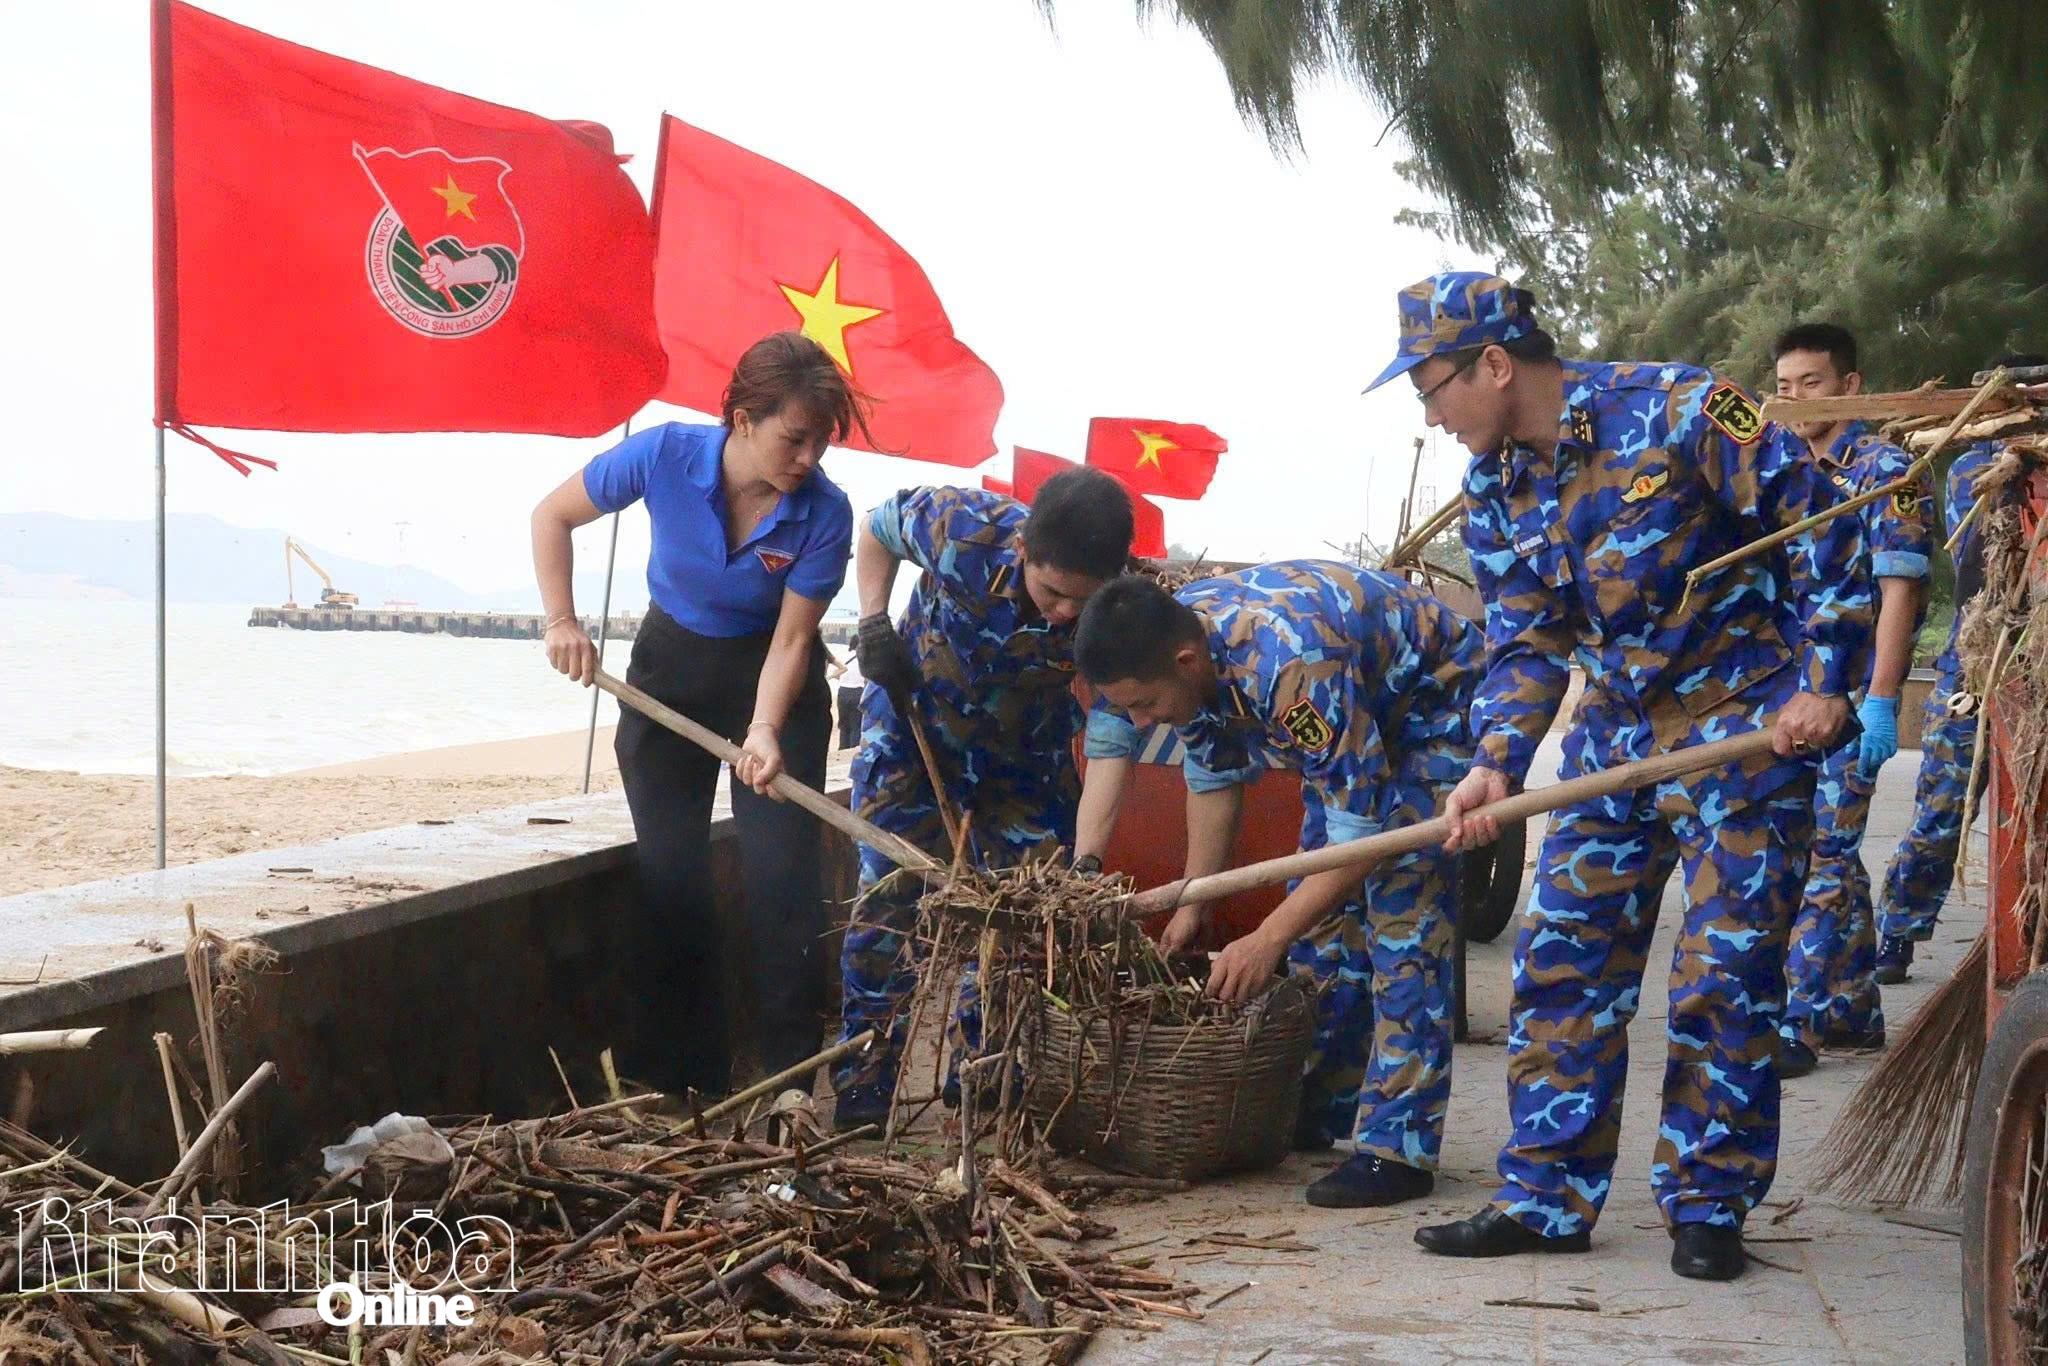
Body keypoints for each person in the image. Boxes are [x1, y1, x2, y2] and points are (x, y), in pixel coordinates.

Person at [1374, 273, 1870, 1281]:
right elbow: (1525, 644)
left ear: (1495, 364)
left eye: (1429, 387)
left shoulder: (1686, 405)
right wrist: (1491, 763)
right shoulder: (1492, 488)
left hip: (1740, 730)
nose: (1426, 413)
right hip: (1610, 742)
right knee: (1558, 961)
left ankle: (1707, 1201)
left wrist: (1827, 682)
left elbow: (1825, 518)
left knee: (1723, 977)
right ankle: (1546, 1196)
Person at [1076, 561, 1479, 1207]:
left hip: (1433, 709)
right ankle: (1320, 1108)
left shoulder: (1288, 667)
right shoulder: (1184, 655)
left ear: (1184, 661)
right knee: (1318, 931)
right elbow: (1212, 779)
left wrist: (1264, 939)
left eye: (1144, 705)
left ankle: (1397, 1149)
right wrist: (1196, 900)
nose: (1144, 721)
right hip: (1353, 733)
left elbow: (1365, 834)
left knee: (1404, 924)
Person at [531, 331, 861, 1098]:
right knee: (671, 879)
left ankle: (788, 1086)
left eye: (821, 442)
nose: (809, 458)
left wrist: (766, 730)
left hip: (773, 684)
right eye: (795, 437)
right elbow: (551, 515)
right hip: (669, 674)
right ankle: (682, 1079)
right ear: (743, 417)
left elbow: (792, 639)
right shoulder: (662, 457)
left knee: (782, 886)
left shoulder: (825, 514)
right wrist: (561, 620)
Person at [831, 469, 1135, 1130]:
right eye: (1053, 593)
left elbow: (1112, 739)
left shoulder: (1120, 612)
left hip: (1025, 754)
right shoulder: (961, 527)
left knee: (1026, 909)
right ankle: (864, 1077)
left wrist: (1087, 860)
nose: (1064, 615)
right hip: (916, 726)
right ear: (1023, 548)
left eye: (1081, 603)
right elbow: (876, 528)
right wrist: (874, 620)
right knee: (888, 900)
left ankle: (986, 1067)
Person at [1769, 323, 1933, 1075]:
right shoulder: (1778, 470)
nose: (1797, 398)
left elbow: (1901, 586)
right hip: (1792, 695)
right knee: (1821, 845)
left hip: (1851, 697)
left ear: (1850, 387)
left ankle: (1796, 1023)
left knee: (1823, 851)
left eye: (1812, 382)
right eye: (1786, 384)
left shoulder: (1884, 470)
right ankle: (1853, 1010)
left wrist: (1881, 698)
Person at [1875, 352, 2044, 979]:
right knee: (1944, 808)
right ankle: (1898, 931)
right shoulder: (1977, 467)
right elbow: (1983, 545)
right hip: (1976, 664)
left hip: (2040, 660)